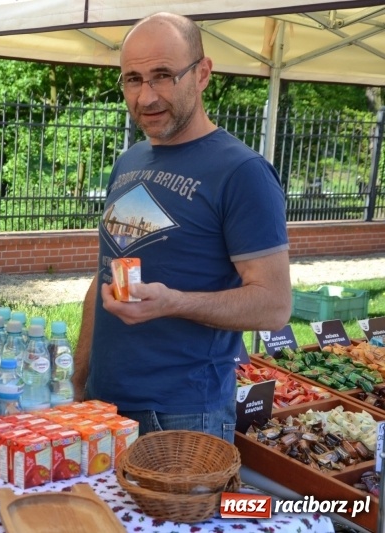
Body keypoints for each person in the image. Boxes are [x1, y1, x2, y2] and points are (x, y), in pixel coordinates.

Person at [72, 12, 291, 443]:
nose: (146, 96)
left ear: (203, 74)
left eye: (163, 76)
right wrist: (80, 378)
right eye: (133, 79)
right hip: (103, 402)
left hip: (185, 415)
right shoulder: (129, 161)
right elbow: (105, 278)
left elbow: (274, 305)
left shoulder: (242, 171)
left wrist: (172, 302)